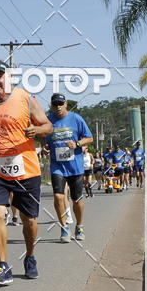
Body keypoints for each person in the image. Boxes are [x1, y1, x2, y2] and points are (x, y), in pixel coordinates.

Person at [0, 59, 52, 286]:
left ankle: (30, 256)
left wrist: (37, 129)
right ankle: (3, 266)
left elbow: (48, 126)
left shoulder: (25, 98)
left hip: (25, 170)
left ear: (7, 77)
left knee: (30, 220)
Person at [44, 94, 93, 242]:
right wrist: (44, 146)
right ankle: (64, 227)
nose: (58, 106)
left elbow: (89, 138)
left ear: (65, 104)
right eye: (55, 104)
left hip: (75, 166)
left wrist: (77, 144)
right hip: (57, 166)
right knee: (58, 196)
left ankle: (79, 226)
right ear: (52, 106)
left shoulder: (76, 118)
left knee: (76, 199)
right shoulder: (48, 120)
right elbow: (44, 137)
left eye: (61, 103)